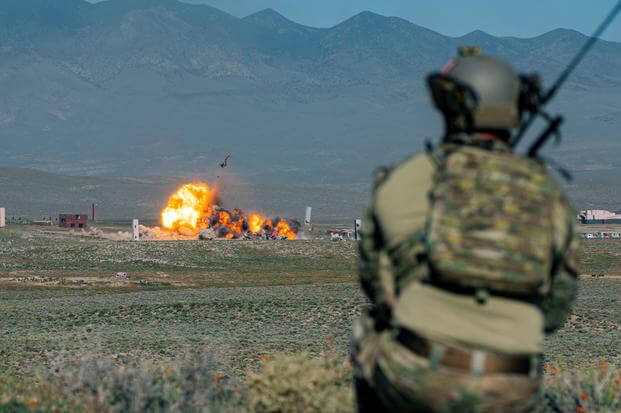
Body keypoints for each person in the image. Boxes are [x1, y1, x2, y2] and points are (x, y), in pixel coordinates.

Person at [351, 47, 580, 413]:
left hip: (417, 380)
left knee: (366, 336)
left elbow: (376, 285)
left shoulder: (403, 180)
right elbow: (555, 311)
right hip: (510, 388)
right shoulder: (550, 196)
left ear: (450, 108)